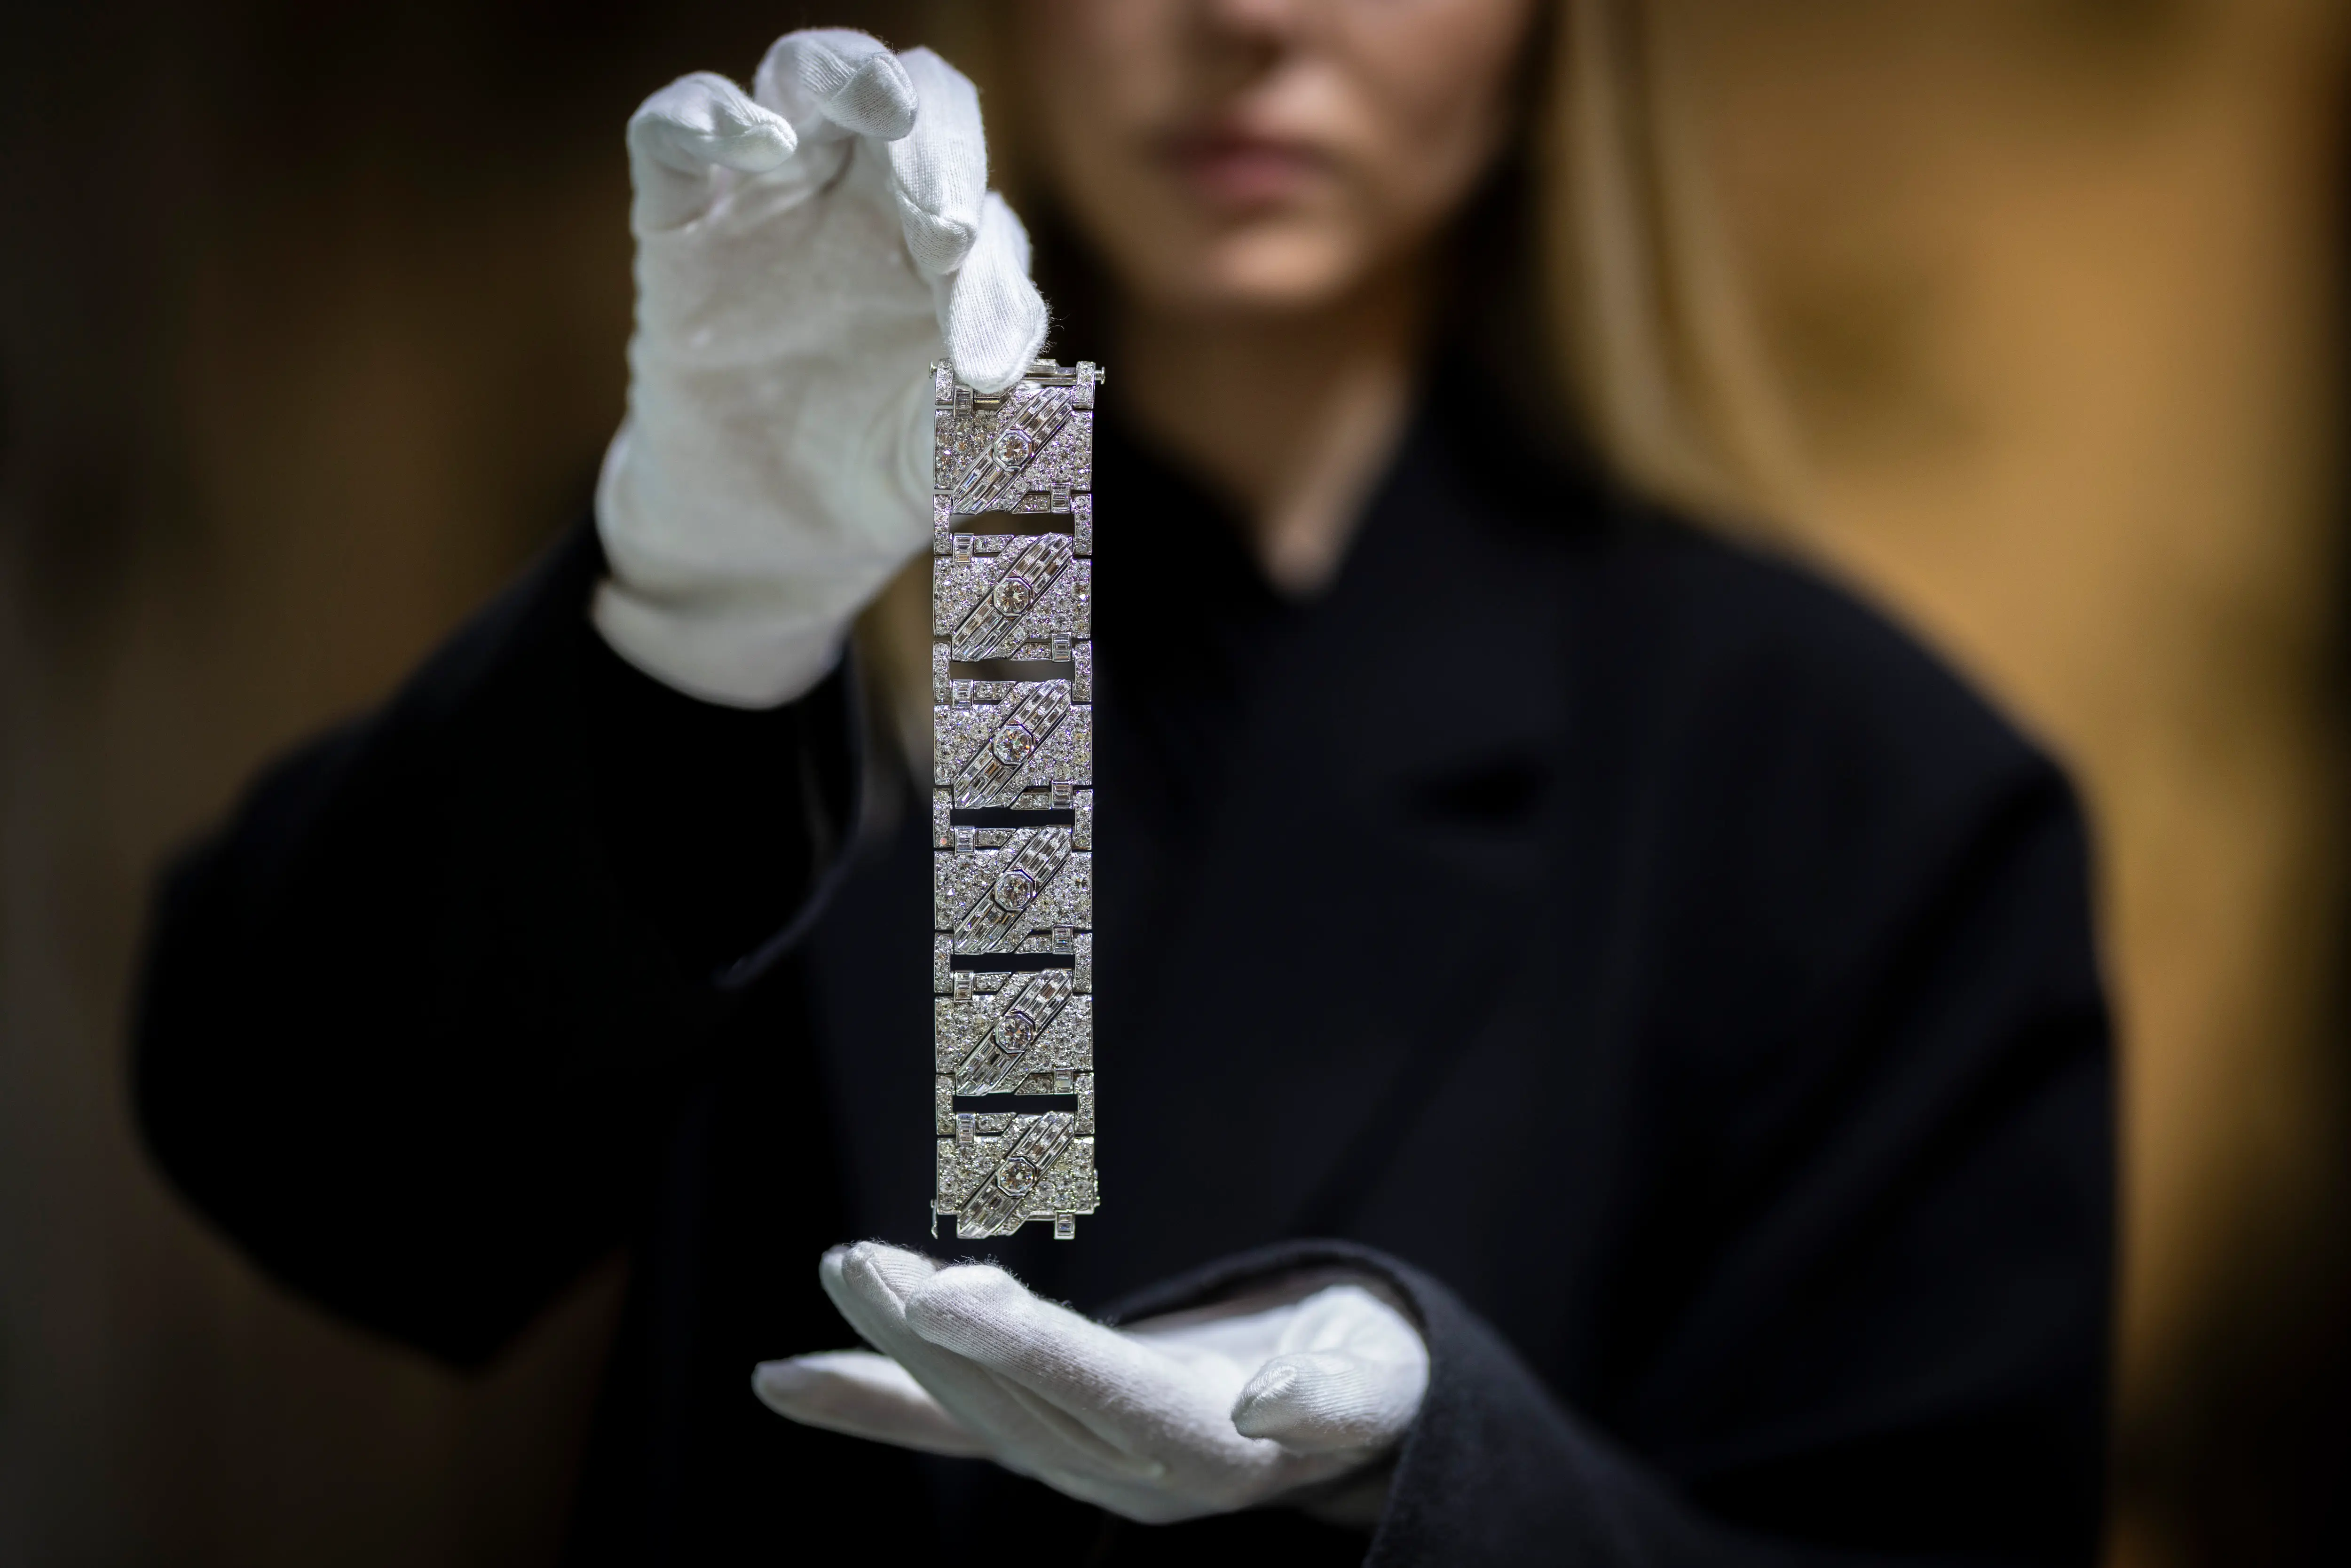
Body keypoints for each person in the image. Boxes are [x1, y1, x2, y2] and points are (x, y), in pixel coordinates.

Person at [132, 6, 2113, 1564]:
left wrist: (1443, 1462)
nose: (1246, 12)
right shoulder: (822, 585)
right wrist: (695, 617)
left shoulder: (1863, 799)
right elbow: (319, 1174)